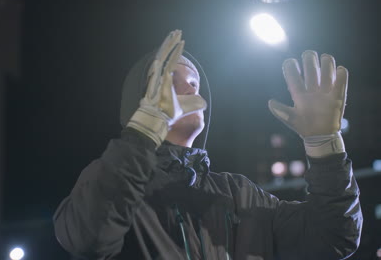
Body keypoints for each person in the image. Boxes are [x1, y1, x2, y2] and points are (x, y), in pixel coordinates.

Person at [53, 30, 363, 260]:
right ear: (141, 98)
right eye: (173, 78)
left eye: (195, 83)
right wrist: (145, 129)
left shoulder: (238, 194)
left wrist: (325, 147)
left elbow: (335, 237)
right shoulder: (116, 187)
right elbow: (86, 237)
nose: (191, 86)